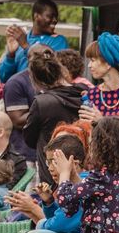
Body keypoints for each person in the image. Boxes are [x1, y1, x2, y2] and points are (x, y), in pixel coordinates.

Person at [23, 44, 82, 186]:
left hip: (52, 170)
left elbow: (29, 138)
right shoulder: (83, 93)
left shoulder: (42, 103)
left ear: (36, 80)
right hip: (80, 167)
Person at [0, 0, 69, 82]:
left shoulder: (58, 41)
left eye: (56, 17)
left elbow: (52, 70)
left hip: (41, 93)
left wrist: (26, 46)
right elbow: (3, 77)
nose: (55, 20)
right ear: (36, 16)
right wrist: (11, 55)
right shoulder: (20, 39)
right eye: (50, 16)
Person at [80, 33, 119, 122]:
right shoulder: (92, 95)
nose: (89, 65)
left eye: (93, 60)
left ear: (108, 63)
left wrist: (101, 121)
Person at [3, 67, 38, 169]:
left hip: (49, 153)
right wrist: (45, 106)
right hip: (25, 154)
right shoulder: (16, 82)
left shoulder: (57, 78)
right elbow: (18, 121)